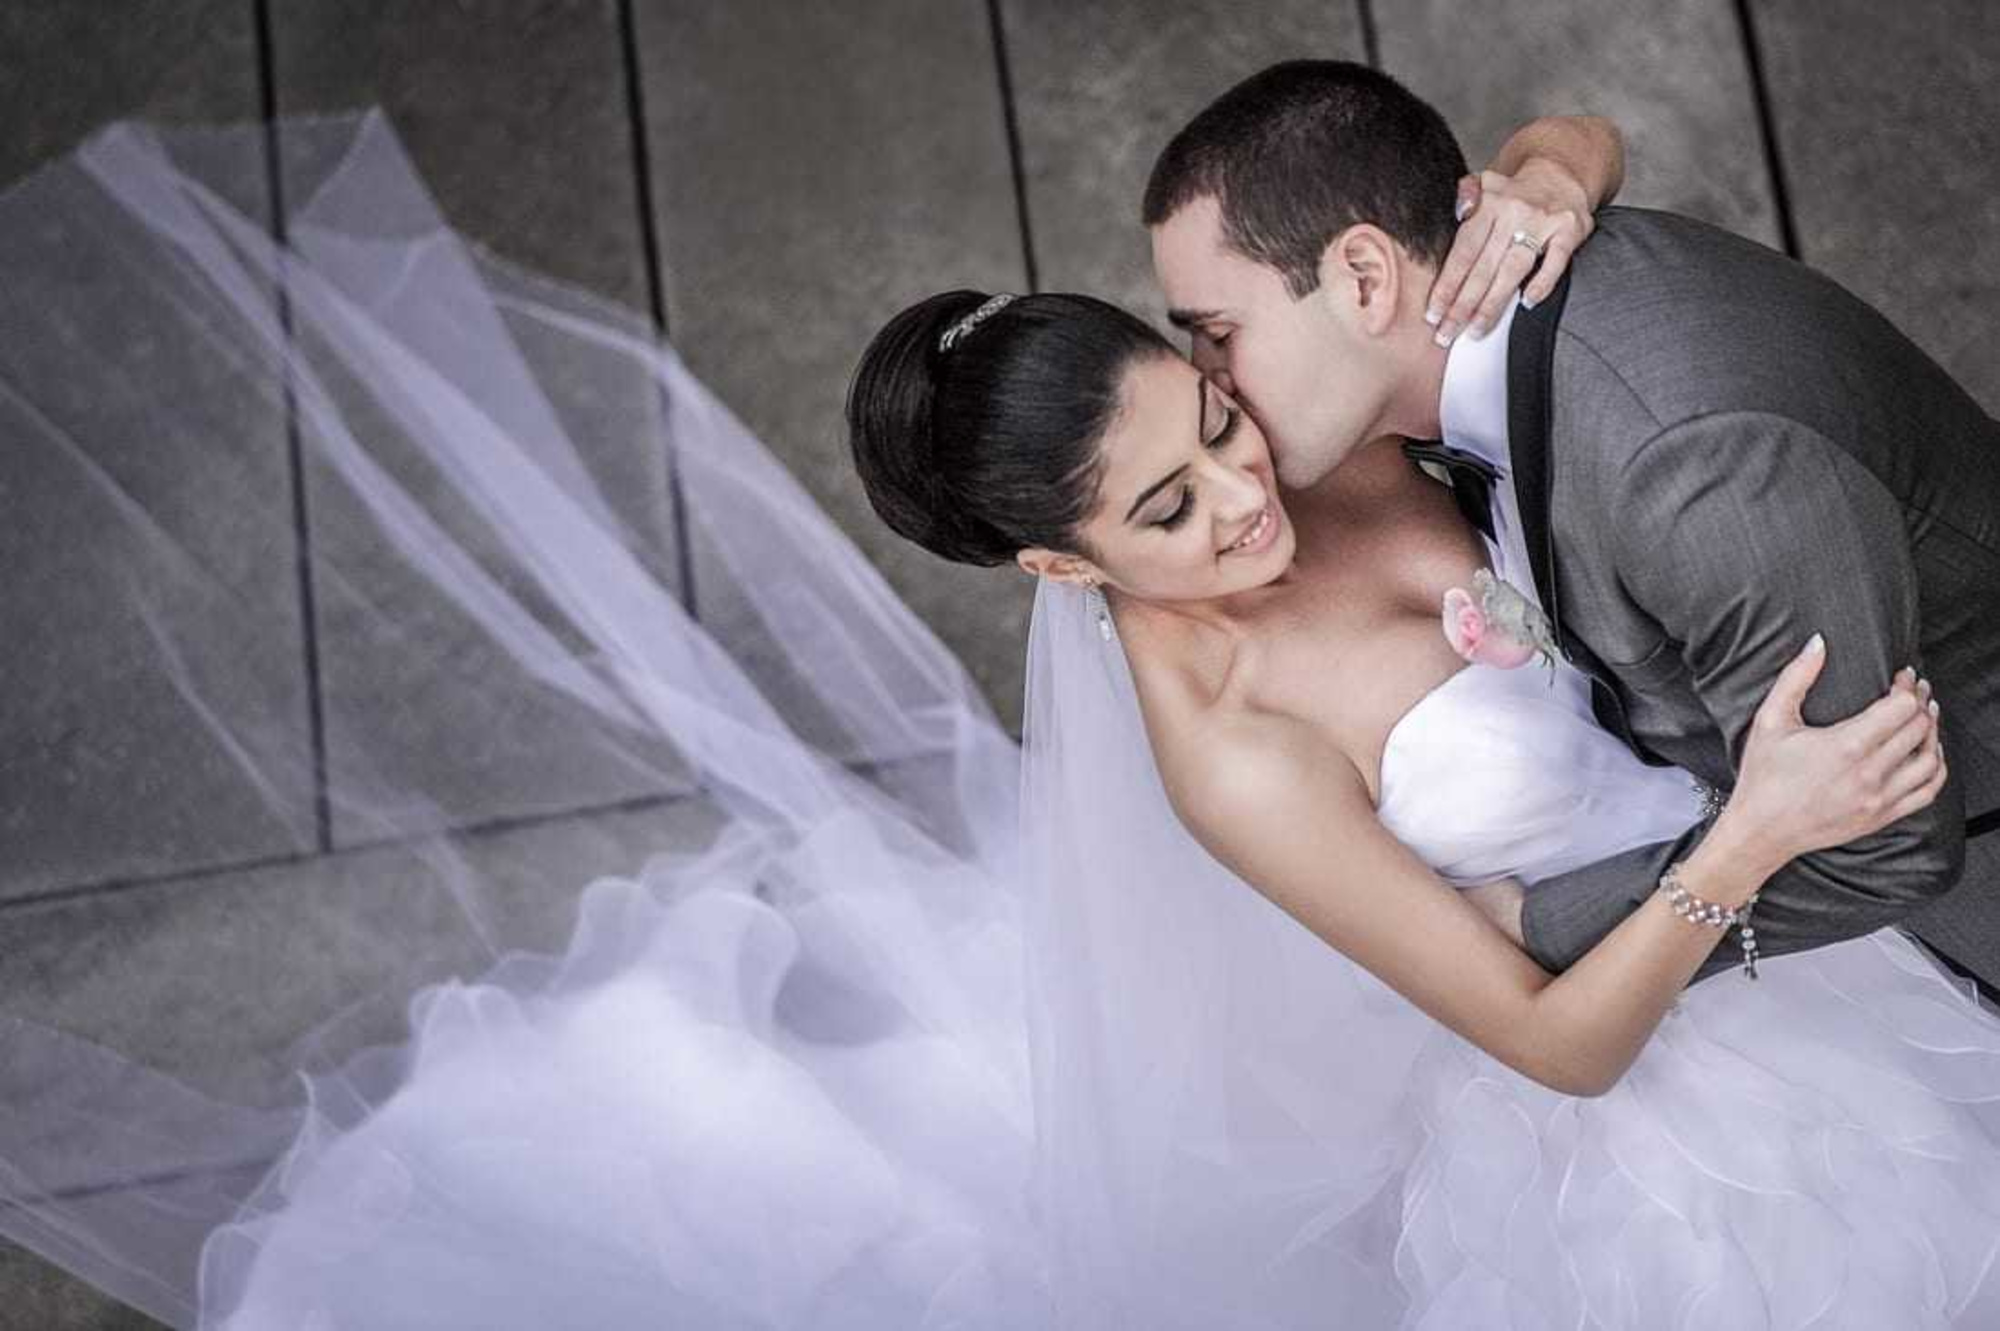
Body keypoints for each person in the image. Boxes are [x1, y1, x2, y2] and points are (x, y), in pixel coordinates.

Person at [0, 105, 1993, 1331]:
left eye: (1210, 415)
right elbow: (1545, 1042)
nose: (1240, 498)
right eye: (1164, 513)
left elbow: (1446, 213)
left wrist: (1555, 167)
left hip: (1764, 859)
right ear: (1061, 571)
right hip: (1653, 1040)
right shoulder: (1226, 740)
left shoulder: (1314, 412)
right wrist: (1747, 835)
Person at [1143, 59, 2000, 999]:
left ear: (1361, 275)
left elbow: (1884, 852)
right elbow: (1565, 143)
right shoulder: (1487, 322)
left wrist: (1533, 925)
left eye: (1219, 331)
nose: (1205, 375)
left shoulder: (1689, 469)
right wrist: (1560, 154)